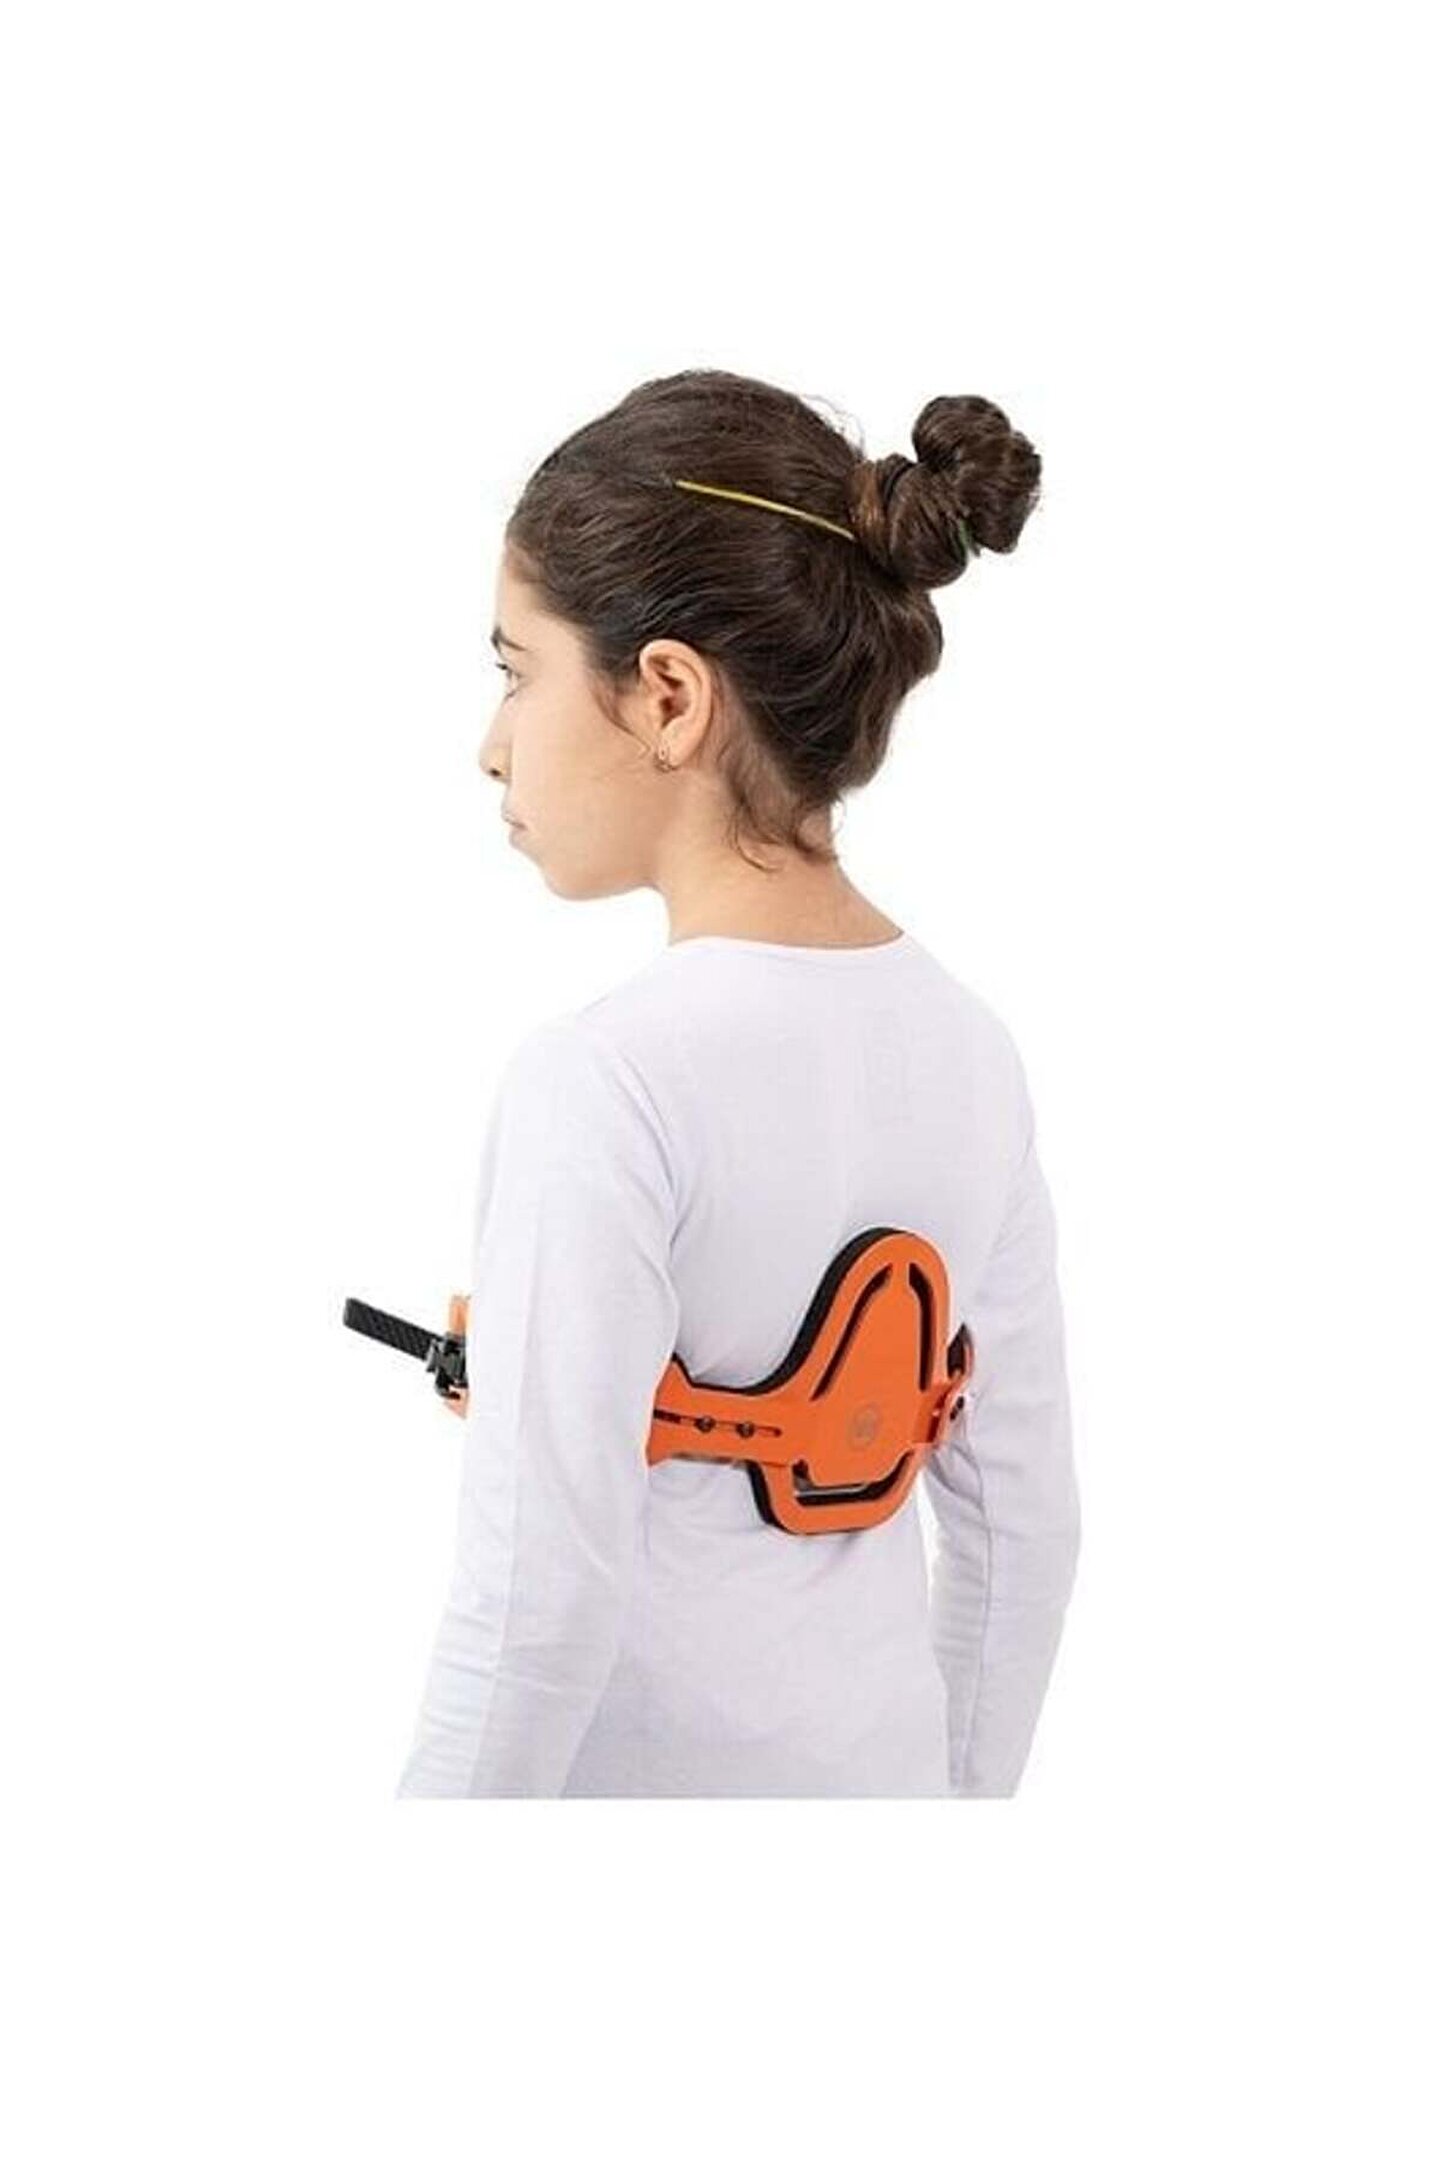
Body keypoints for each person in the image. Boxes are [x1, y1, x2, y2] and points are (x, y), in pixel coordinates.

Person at [395, 368, 1082, 1798]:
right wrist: (957, 1816)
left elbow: (532, 1610)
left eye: (516, 670)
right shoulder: (972, 1055)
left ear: (668, 695)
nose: (492, 743)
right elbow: (1023, 1528)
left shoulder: (603, 1084)